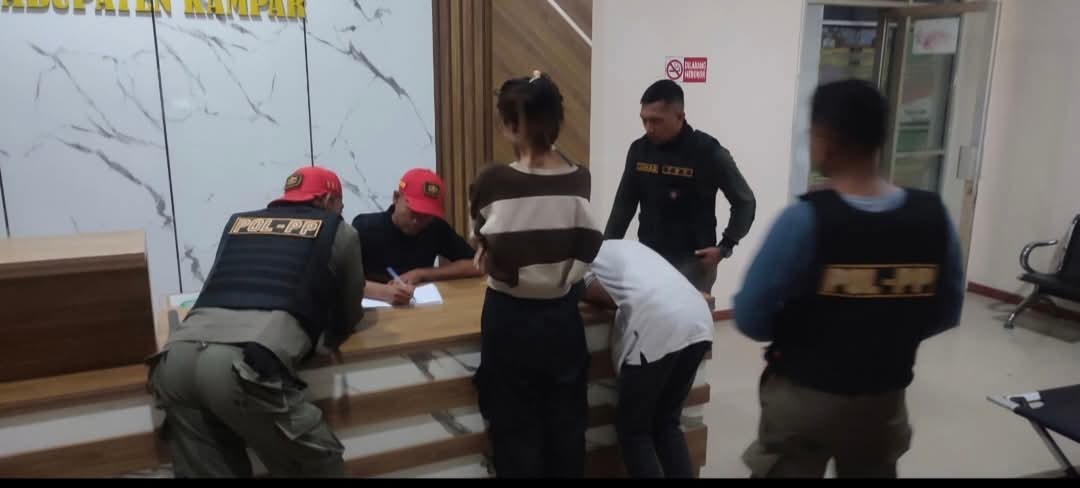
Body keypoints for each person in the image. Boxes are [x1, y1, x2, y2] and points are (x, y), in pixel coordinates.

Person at [733, 80, 966, 478]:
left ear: (824, 140)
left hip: (805, 395)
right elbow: (946, 310)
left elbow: (751, 317)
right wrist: (886, 333)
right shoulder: (933, 217)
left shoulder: (804, 220)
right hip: (884, 399)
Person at [146, 166, 367, 478]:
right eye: (341, 206)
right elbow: (347, 316)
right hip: (242, 364)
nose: (341, 213)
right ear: (329, 200)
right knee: (320, 463)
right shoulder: (337, 230)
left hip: (175, 360)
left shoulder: (239, 223)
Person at [469, 70, 604, 478]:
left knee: (514, 432)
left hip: (508, 319)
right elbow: (586, 243)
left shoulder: (492, 181)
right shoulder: (580, 178)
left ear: (511, 124)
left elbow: (483, 243)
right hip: (562, 318)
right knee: (567, 428)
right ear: (557, 120)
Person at [604, 79, 757, 292]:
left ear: (680, 117)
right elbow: (623, 206)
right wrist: (605, 254)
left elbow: (745, 202)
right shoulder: (639, 150)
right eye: (644, 120)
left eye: (656, 121)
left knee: (687, 315)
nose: (649, 128)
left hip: (694, 266)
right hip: (649, 260)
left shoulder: (708, 152)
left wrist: (725, 247)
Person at [582, 239, 713, 478]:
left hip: (657, 327)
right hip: (698, 318)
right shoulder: (625, 247)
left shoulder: (583, 260)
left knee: (634, 431)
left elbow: (597, 294)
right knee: (667, 422)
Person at [352, 168, 480, 306]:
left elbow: (478, 265)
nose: (417, 221)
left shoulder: (435, 228)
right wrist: (383, 292)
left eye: (426, 215)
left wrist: (422, 274)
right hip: (374, 313)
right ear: (396, 198)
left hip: (419, 310)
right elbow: (342, 281)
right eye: (413, 212)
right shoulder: (365, 228)